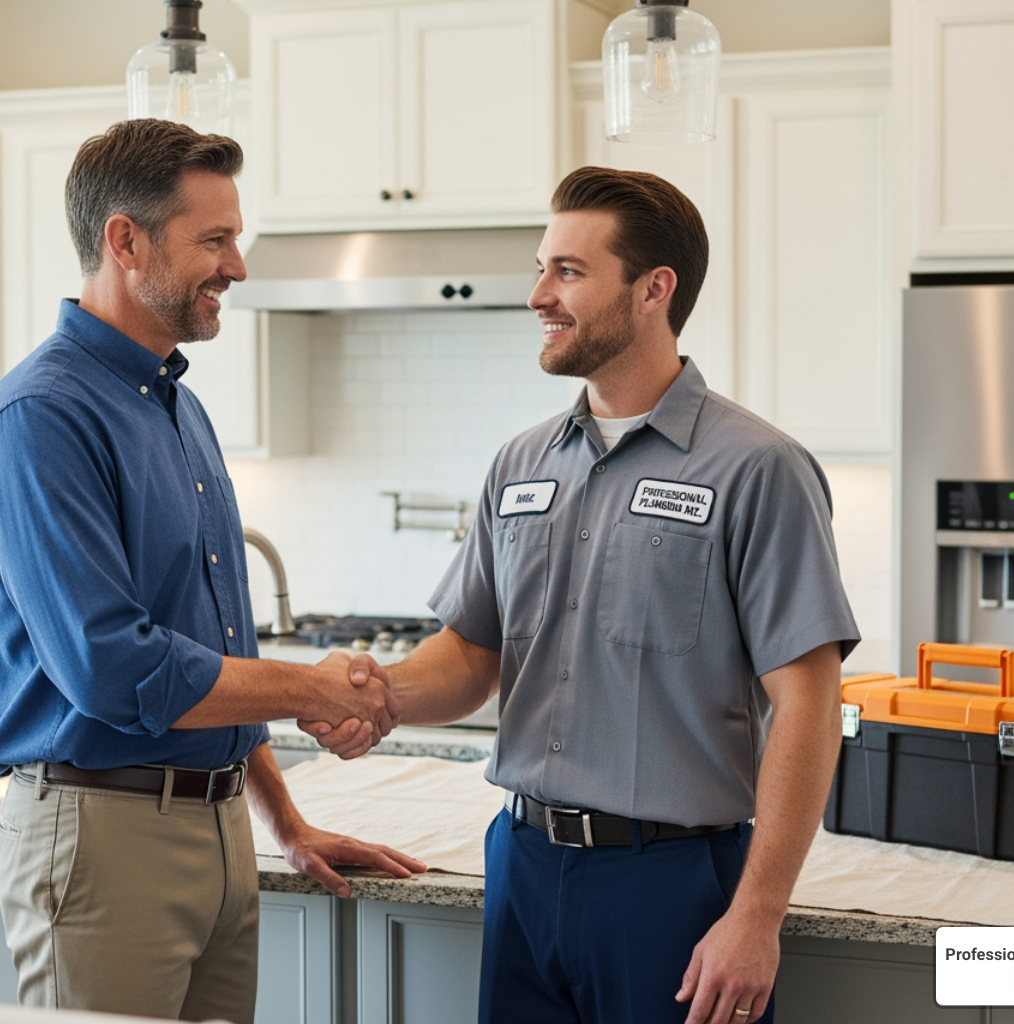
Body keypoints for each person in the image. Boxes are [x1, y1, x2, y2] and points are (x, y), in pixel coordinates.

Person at [305, 166, 859, 1024]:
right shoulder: (520, 464)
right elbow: (473, 653)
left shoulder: (760, 469)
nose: (538, 295)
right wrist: (378, 696)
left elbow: (810, 703)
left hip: (670, 884)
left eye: (568, 271)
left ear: (653, 289)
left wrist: (757, 915)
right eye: (541, 268)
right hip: (523, 865)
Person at [0, 119, 424, 1024]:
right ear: (125, 240)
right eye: (214, 240)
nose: (236, 266)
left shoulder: (178, 407)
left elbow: (213, 652)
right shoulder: (41, 417)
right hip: (102, 836)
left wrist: (283, 821)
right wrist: (311, 684)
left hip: (221, 832)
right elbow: (114, 667)